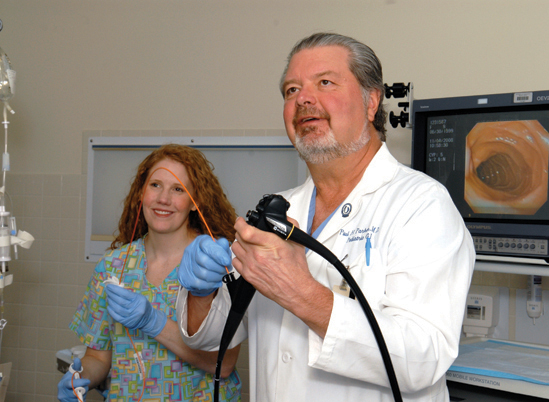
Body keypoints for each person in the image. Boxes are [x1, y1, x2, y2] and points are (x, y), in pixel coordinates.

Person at [176, 33, 475, 402]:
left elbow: (422, 360)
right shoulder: (277, 210)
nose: (302, 98)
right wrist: (202, 293)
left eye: (325, 82)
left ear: (371, 101)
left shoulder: (421, 206)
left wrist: (302, 293)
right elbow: (217, 335)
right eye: (291, 90)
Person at [58, 144, 242, 402]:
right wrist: (80, 378)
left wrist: (153, 322)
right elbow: (99, 356)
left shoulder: (212, 263)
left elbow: (223, 364)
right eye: (155, 185)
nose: (163, 199)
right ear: (141, 193)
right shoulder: (113, 266)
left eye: (178, 189)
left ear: (195, 201)